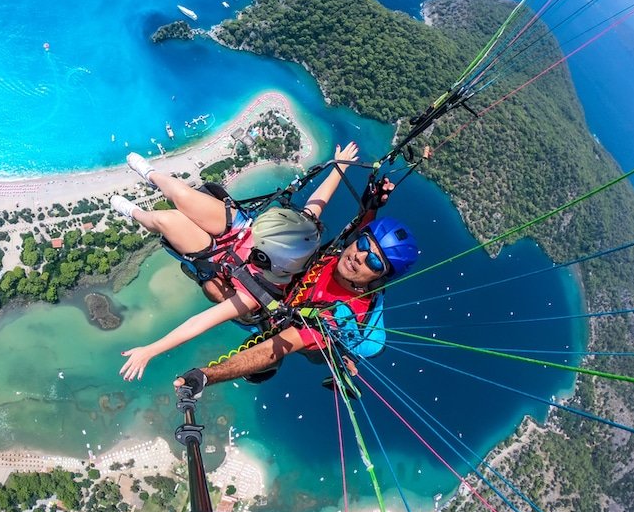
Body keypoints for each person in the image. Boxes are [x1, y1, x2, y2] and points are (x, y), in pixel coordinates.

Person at [110, 142, 364, 381]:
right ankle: (151, 175)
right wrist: (339, 167)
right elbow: (316, 205)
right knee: (181, 194)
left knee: (166, 221)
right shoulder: (297, 240)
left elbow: (199, 323)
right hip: (238, 229)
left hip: (217, 255)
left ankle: (135, 213)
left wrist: (151, 350)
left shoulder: (254, 296)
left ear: (265, 256)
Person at [172, 214, 419, 397]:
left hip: (302, 331)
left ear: (379, 277)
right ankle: (343, 363)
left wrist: (207, 375)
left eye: (375, 262)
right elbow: (358, 227)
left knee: (214, 289)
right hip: (291, 303)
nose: (360, 257)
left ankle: (339, 362)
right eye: (364, 245)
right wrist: (374, 201)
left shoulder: (334, 316)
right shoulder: (342, 253)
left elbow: (269, 351)